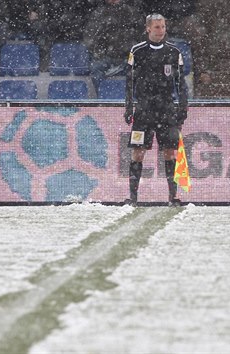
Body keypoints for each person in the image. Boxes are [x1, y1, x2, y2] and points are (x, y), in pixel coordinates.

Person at [124, 13, 188, 205]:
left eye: (163, 27)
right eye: (157, 27)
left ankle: (173, 197)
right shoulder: (137, 51)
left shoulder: (174, 52)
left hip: (166, 109)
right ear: (148, 29)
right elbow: (129, 83)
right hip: (143, 110)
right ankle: (133, 198)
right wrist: (128, 108)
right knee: (137, 152)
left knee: (169, 152)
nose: (161, 30)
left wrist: (183, 108)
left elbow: (181, 84)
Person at [83, 0, 142, 94]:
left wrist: (130, 50)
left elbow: (141, 35)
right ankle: (103, 97)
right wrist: (100, 50)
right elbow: (89, 36)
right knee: (95, 69)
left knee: (140, 69)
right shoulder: (99, 14)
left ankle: (131, 97)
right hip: (105, 57)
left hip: (128, 57)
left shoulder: (131, 13)